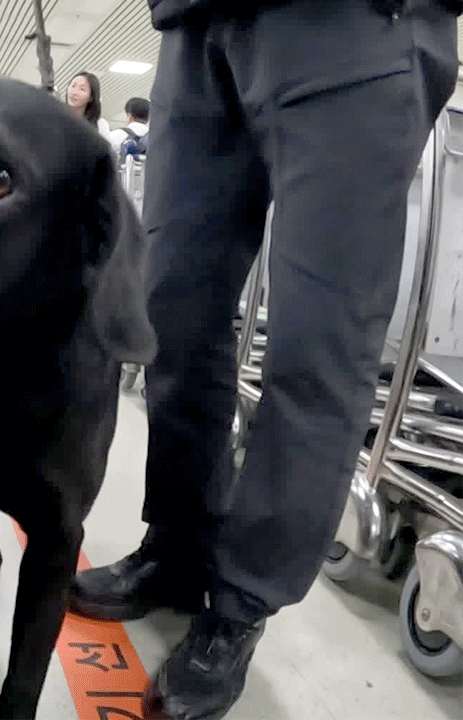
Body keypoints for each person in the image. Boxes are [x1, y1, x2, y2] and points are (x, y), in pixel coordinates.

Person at [69, 2, 459, 720]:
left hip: (356, 24)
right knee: (172, 311)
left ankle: (241, 602)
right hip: (197, 28)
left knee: (319, 346)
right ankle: (179, 547)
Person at [65, 71, 112, 142]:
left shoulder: (100, 125)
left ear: (91, 97)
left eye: (82, 89)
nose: (74, 92)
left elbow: (105, 151)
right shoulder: (57, 118)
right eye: (73, 86)